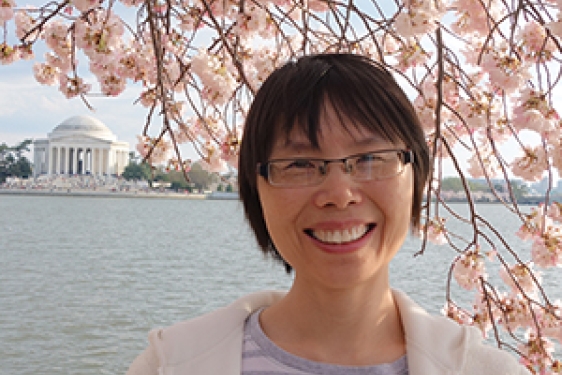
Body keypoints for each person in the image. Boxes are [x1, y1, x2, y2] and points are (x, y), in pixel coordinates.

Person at [126, 54, 530, 375]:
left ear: (417, 178)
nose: (339, 194)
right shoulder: (171, 364)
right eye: (300, 163)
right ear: (257, 191)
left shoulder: (487, 370)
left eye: (371, 158)